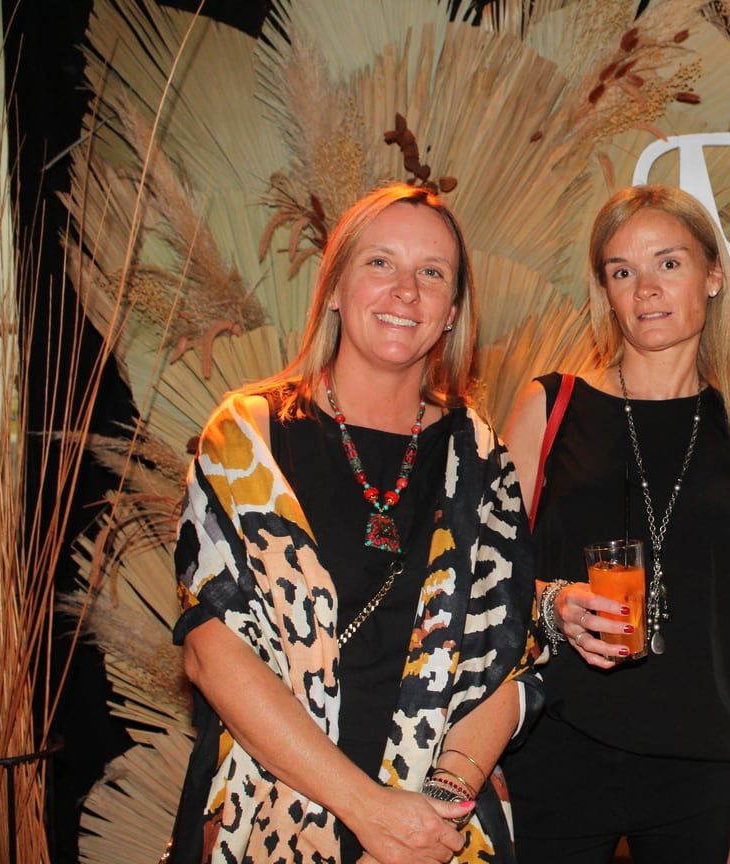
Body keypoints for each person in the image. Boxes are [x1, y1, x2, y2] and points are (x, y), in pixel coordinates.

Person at [169, 183, 541, 864]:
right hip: (265, 814)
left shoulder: (480, 459)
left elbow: (509, 663)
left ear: (452, 311)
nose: (407, 291)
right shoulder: (247, 438)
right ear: (336, 288)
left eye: (432, 273)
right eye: (380, 263)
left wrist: (432, 816)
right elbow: (211, 651)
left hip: (432, 834)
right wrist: (369, 812)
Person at [501, 185, 730, 864]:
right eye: (622, 271)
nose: (646, 289)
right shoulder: (551, 406)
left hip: (699, 764)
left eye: (669, 264)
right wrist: (553, 602)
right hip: (554, 747)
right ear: (607, 292)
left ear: (713, 276)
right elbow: (484, 580)